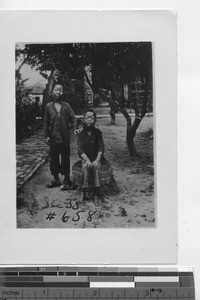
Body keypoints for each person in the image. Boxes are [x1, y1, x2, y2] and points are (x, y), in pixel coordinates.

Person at [44, 82, 79, 190]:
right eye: (57, 90)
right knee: (54, 159)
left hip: (65, 137)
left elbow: (74, 119)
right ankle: (55, 179)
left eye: (61, 90)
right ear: (52, 91)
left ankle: (67, 179)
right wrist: (46, 135)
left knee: (65, 158)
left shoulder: (66, 105)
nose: (59, 92)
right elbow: (46, 122)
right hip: (54, 137)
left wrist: (74, 130)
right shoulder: (48, 106)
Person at [74, 109, 111, 206]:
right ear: (84, 119)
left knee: (96, 167)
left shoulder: (98, 132)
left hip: (96, 158)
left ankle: (96, 193)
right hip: (86, 158)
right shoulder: (80, 133)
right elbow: (80, 149)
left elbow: (101, 147)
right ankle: (83, 191)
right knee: (85, 167)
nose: (89, 119)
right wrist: (86, 160)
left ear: (94, 120)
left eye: (92, 117)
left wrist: (97, 160)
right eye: (87, 117)